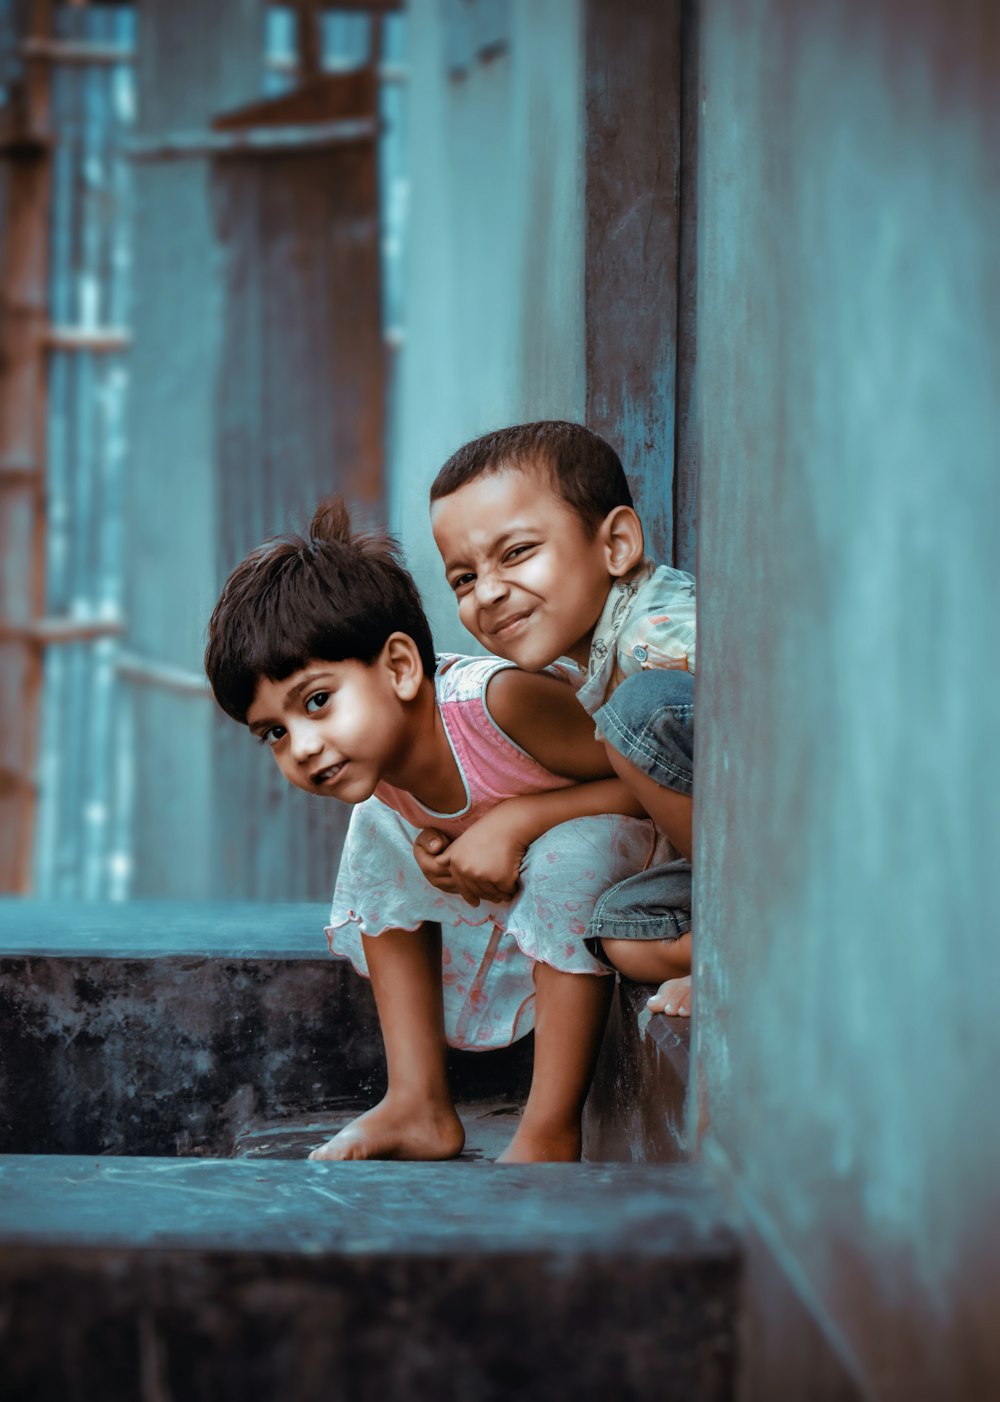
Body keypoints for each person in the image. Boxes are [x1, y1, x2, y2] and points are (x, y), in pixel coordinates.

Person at [204, 498, 656, 1163]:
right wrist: (444, 843)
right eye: (275, 732)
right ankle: (416, 1101)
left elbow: (650, 780)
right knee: (376, 826)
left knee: (566, 857)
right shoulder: (378, 757)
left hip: (640, 867)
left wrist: (516, 820)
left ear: (399, 667)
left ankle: (551, 1127)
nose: (301, 746)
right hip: (518, 882)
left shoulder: (503, 703)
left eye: (317, 701)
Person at [424, 420, 697, 1017]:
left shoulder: (660, 640)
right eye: (464, 578)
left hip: (804, 844)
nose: (488, 593)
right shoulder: (584, 667)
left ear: (616, 544)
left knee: (636, 713)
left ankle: (745, 945)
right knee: (621, 935)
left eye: (516, 553)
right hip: (725, 868)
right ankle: (732, 947)